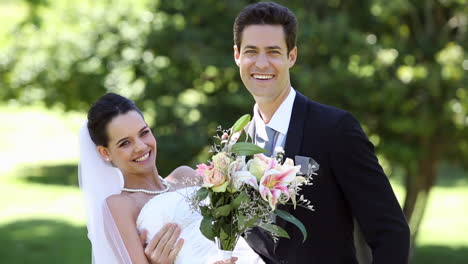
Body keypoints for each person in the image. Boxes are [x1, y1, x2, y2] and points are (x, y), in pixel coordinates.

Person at [232, 2, 410, 264]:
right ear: (237, 55)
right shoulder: (236, 145)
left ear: (291, 56)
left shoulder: (335, 129)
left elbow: (391, 232)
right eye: (251, 51)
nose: (261, 63)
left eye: (273, 51)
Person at [79, 93, 264, 264]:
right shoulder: (119, 206)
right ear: (105, 152)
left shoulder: (186, 175)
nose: (141, 146)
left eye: (144, 133)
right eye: (125, 143)